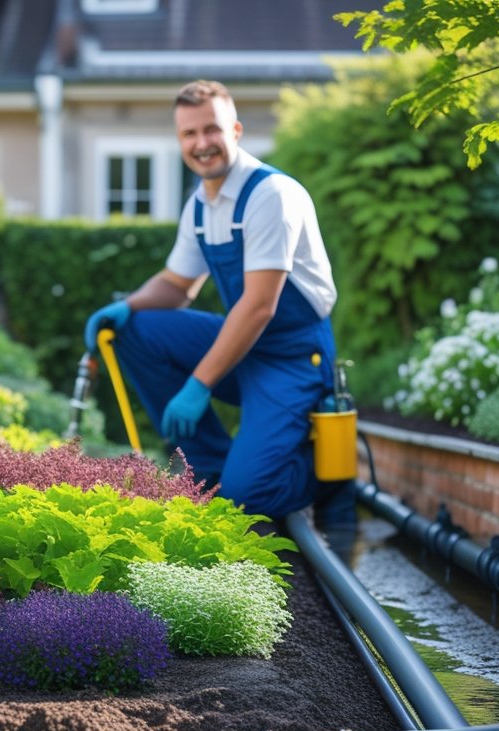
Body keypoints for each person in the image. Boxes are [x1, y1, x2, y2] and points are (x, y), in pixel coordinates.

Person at [83, 79, 354, 532]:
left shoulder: (271, 196)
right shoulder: (199, 206)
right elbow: (176, 284)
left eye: (212, 130)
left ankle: (323, 473)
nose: (201, 143)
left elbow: (260, 306)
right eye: (189, 134)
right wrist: (123, 309)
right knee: (138, 330)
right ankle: (208, 472)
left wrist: (198, 385)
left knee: (248, 499)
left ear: (236, 130)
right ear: (180, 141)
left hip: (292, 358)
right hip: (244, 346)